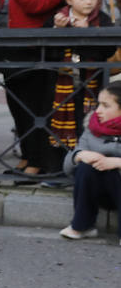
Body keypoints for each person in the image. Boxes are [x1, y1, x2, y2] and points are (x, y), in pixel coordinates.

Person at [0, 0, 73, 175]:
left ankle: (39, 162)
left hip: (36, 47)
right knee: (18, 105)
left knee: (35, 107)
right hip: (13, 45)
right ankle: (28, 157)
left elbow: (37, 3)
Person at [47, 0, 115, 153]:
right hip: (60, 85)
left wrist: (89, 35)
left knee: (88, 122)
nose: (89, 2)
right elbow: (48, 54)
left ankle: (89, 160)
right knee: (60, 120)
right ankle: (60, 166)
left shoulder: (102, 20)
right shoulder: (58, 19)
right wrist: (57, 32)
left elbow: (108, 51)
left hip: (92, 86)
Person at [59, 81, 121, 243]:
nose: (98, 111)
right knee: (86, 168)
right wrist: (80, 155)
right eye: (98, 104)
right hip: (102, 192)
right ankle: (82, 226)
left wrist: (117, 162)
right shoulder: (93, 128)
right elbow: (67, 166)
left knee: (113, 169)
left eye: (106, 106)